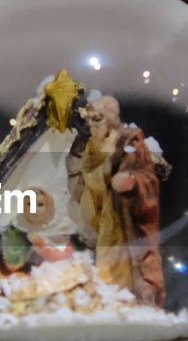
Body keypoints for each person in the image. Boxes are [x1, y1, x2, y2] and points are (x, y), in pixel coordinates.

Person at [70, 95, 166, 306]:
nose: (92, 125)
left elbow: (148, 178)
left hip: (129, 218)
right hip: (108, 216)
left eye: (97, 119)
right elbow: (90, 178)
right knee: (107, 259)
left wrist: (131, 182)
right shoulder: (92, 148)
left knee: (131, 262)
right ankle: (112, 301)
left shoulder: (129, 142)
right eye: (89, 120)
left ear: (111, 120)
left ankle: (133, 302)